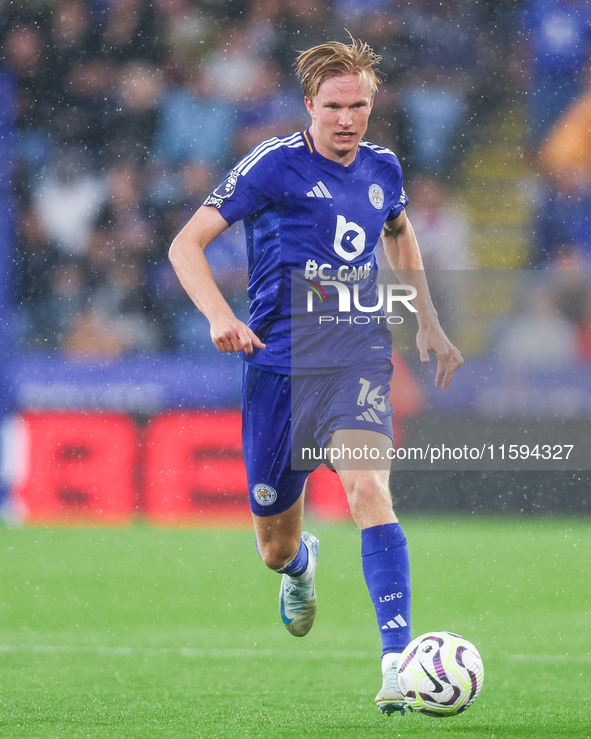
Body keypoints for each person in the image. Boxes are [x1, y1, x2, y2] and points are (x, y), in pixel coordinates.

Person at [169, 37, 463, 717]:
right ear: (309, 105)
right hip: (276, 369)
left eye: (358, 104)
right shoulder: (272, 165)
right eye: (333, 106)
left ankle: (396, 662)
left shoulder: (383, 167)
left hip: (355, 358)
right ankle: (300, 563)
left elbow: (397, 230)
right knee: (271, 547)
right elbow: (186, 242)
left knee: (366, 487)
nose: (346, 118)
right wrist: (218, 313)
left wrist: (426, 318)